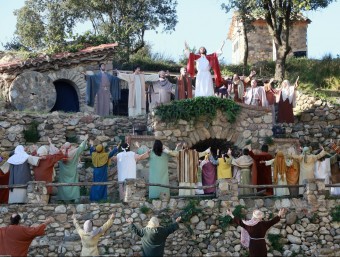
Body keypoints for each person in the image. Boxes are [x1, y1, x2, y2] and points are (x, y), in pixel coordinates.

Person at [57, 135, 89, 203]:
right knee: (74, 183)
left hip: (63, 173)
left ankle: (64, 199)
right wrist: (85, 139)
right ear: (70, 146)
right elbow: (80, 147)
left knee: (63, 184)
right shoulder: (73, 152)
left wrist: (50, 143)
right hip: (72, 171)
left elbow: (53, 150)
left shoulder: (60, 153)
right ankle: (75, 198)